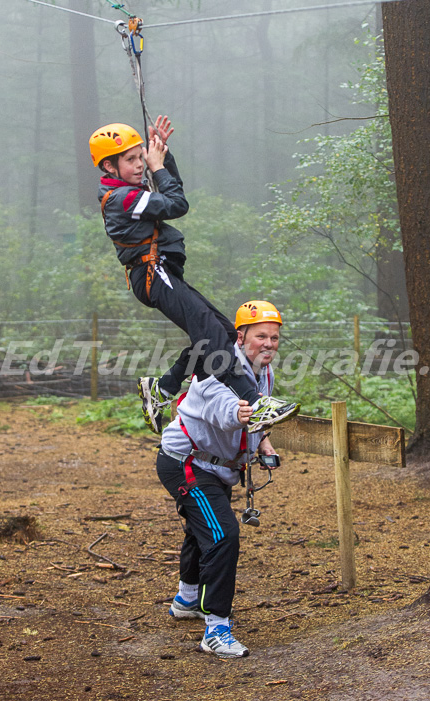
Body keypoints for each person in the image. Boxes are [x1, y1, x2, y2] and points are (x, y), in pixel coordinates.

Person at [89, 116, 300, 434]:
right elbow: (177, 204)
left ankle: (163, 387)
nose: (140, 165)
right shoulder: (124, 198)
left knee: (224, 333)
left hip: (160, 273)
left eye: (141, 156)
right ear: (108, 167)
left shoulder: (130, 193)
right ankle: (253, 401)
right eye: (131, 159)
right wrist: (158, 168)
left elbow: (172, 196)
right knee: (210, 333)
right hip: (151, 274)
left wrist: (164, 156)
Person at [156, 300, 284, 658]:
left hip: (218, 466)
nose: (269, 344)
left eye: (274, 337)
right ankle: (216, 629)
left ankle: (186, 599)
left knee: (205, 527)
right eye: (261, 336)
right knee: (223, 534)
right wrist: (244, 414)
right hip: (186, 462)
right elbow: (226, 411)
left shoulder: (264, 372)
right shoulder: (216, 367)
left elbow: (257, 417)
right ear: (240, 337)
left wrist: (263, 443)